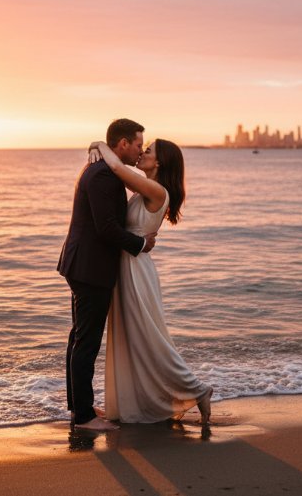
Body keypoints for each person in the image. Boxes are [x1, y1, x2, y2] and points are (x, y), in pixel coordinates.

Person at [89, 138, 213, 424]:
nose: (142, 153)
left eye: (148, 150)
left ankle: (198, 390)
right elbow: (120, 171)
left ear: (159, 162)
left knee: (149, 338)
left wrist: (98, 143)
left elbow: (118, 169)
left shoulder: (157, 190)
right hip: (128, 266)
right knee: (133, 339)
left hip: (135, 270)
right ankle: (132, 404)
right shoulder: (144, 189)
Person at [58, 119, 157, 431]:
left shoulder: (106, 169)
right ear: (123, 144)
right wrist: (141, 244)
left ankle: (80, 407)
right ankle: (83, 417)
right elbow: (107, 228)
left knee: (79, 338)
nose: (141, 150)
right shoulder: (103, 174)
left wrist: (97, 144)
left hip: (84, 264)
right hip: (90, 267)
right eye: (139, 144)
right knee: (86, 341)